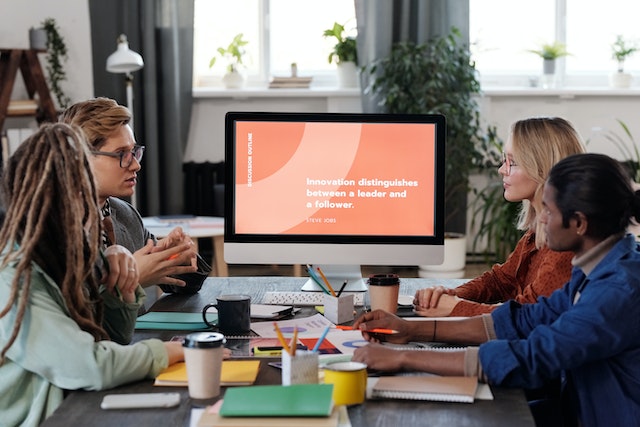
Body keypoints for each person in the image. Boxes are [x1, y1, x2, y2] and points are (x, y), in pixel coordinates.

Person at [353, 153, 640, 427]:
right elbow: (523, 320)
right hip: (574, 408)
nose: (541, 219)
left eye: (549, 211)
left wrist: (403, 357)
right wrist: (411, 330)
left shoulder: (617, 290)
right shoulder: (594, 268)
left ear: (578, 223)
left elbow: (533, 356)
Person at [0, 124, 185, 427]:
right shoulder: (13, 277)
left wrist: (120, 286)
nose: (92, 209)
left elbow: (115, 339)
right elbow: (90, 364)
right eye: (82, 197)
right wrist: (167, 351)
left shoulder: (68, 250)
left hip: (77, 406)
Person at [414, 117, 586, 317]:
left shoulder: (565, 245)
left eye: (512, 162)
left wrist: (454, 308)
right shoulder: (536, 232)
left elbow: (527, 315)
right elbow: (500, 281)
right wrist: (450, 295)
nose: (502, 169)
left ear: (543, 169)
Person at [59, 97, 201, 308]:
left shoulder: (125, 214)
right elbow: (67, 318)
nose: (135, 165)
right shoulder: (54, 227)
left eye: (135, 152)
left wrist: (174, 255)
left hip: (136, 340)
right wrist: (133, 279)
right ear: (80, 157)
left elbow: (181, 285)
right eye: (122, 154)